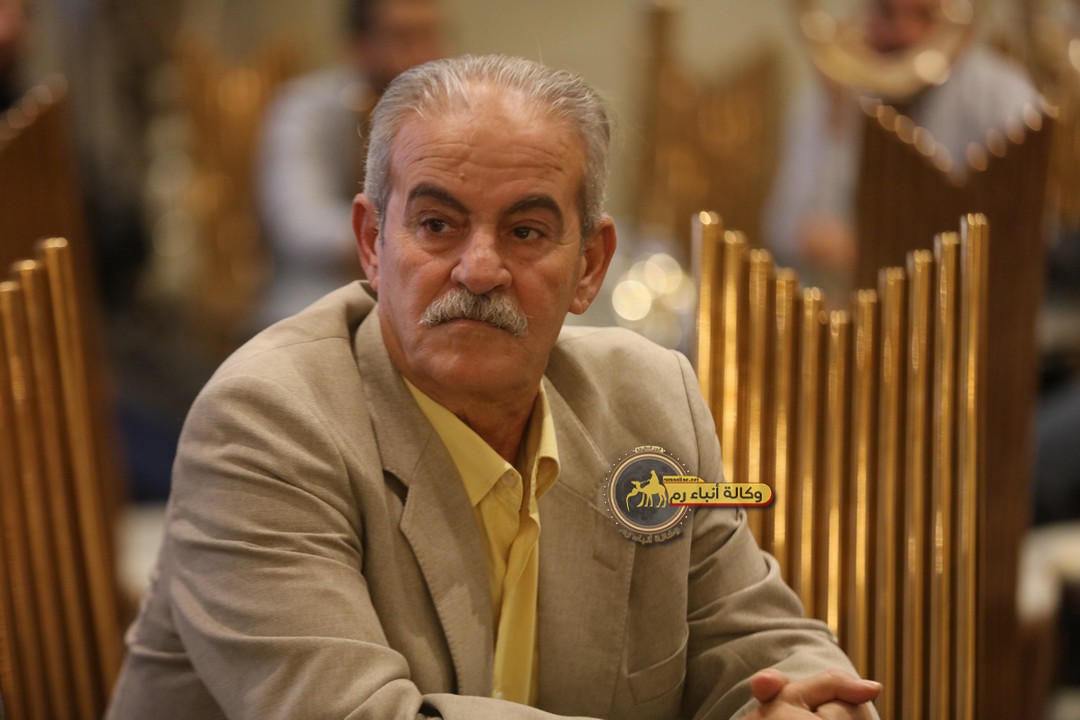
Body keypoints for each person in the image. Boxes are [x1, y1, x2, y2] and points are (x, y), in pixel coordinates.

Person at [107, 54, 880, 719]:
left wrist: (804, 702)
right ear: (372, 244)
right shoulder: (266, 422)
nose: (479, 270)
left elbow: (755, 635)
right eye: (437, 225)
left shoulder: (651, 402)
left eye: (525, 231)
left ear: (590, 266)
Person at [764, 0, 1039, 297]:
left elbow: (1025, 235)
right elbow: (785, 229)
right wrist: (836, 121)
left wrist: (877, 252)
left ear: (964, 28)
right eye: (886, 12)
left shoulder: (1004, 98)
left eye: (926, 16)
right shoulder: (831, 98)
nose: (903, 33)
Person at [255, 0, 448, 327]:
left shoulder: (448, 112)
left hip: (420, 299)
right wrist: (412, 237)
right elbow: (301, 225)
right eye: (403, 37)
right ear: (359, 46)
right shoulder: (304, 110)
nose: (422, 55)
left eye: (430, 36)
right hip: (315, 301)